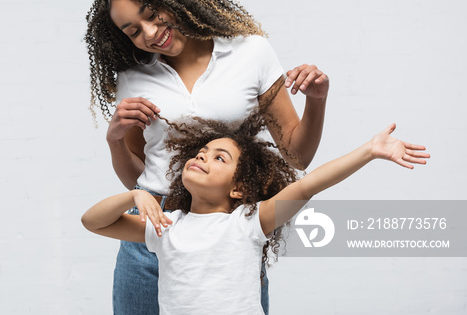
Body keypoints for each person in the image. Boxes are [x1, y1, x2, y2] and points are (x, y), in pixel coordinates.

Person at [85, 0, 329, 314]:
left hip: (226, 227)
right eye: (133, 30)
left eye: (153, 15)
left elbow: (297, 155)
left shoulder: (251, 53)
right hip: (152, 225)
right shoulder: (134, 77)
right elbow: (135, 178)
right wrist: (115, 138)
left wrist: (317, 99)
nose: (150, 33)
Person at [82, 113, 429, 315]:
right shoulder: (166, 225)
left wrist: (369, 151)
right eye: (202, 152)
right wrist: (134, 194)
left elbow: (308, 186)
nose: (202, 157)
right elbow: (93, 222)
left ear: (238, 189)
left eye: (219, 158)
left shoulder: (247, 224)